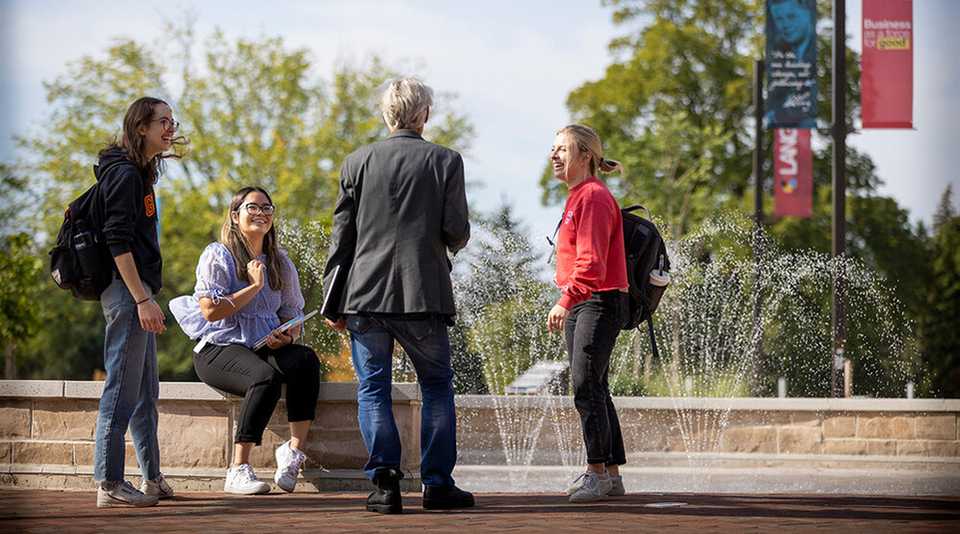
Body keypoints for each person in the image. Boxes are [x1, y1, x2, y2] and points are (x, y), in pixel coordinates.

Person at [322, 77, 473, 514]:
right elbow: (456, 231)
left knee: (373, 389)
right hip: (423, 293)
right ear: (423, 113)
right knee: (438, 387)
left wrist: (334, 301)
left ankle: (385, 486)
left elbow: (342, 239)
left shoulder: (357, 162)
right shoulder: (446, 160)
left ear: (387, 114)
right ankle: (438, 485)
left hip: (364, 295)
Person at [169, 186, 320, 495]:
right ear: (235, 216)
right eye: (253, 207)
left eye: (267, 208)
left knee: (305, 360)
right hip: (217, 349)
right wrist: (254, 286)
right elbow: (210, 312)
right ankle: (238, 469)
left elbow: (292, 313)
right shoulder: (218, 255)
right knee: (264, 378)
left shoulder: (280, 262)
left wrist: (286, 335)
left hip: (262, 346)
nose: (261, 213)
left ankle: (291, 453)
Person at [94, 96, 184, 507]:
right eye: (162, 121)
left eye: (171, 120)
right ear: (141, 127)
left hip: (138, 292)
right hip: (128, 292)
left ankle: (151, 477)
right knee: (120, 390)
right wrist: (142, 299)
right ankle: (109, 483)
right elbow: (117, 242)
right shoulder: (126, 175)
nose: (170, 127)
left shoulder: (141, 175)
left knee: (145, 391)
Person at [545, 124, 629, 503]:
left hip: (597, 299)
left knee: (585, 384)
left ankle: (595, 473)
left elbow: (592, 263)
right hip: (588, 299)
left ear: (585, 156)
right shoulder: (579, 196)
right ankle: (610, 473)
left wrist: (567, 298)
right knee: (595, 384)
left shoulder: (592, 197)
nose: (554, 155)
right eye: (553, 148)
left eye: (563, 149)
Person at [765, 0, 818, 128]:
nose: (785, 25)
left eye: (791, 16)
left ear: (808, 13)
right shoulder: (777, 55)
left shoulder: (813, 54)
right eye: (779, 19)